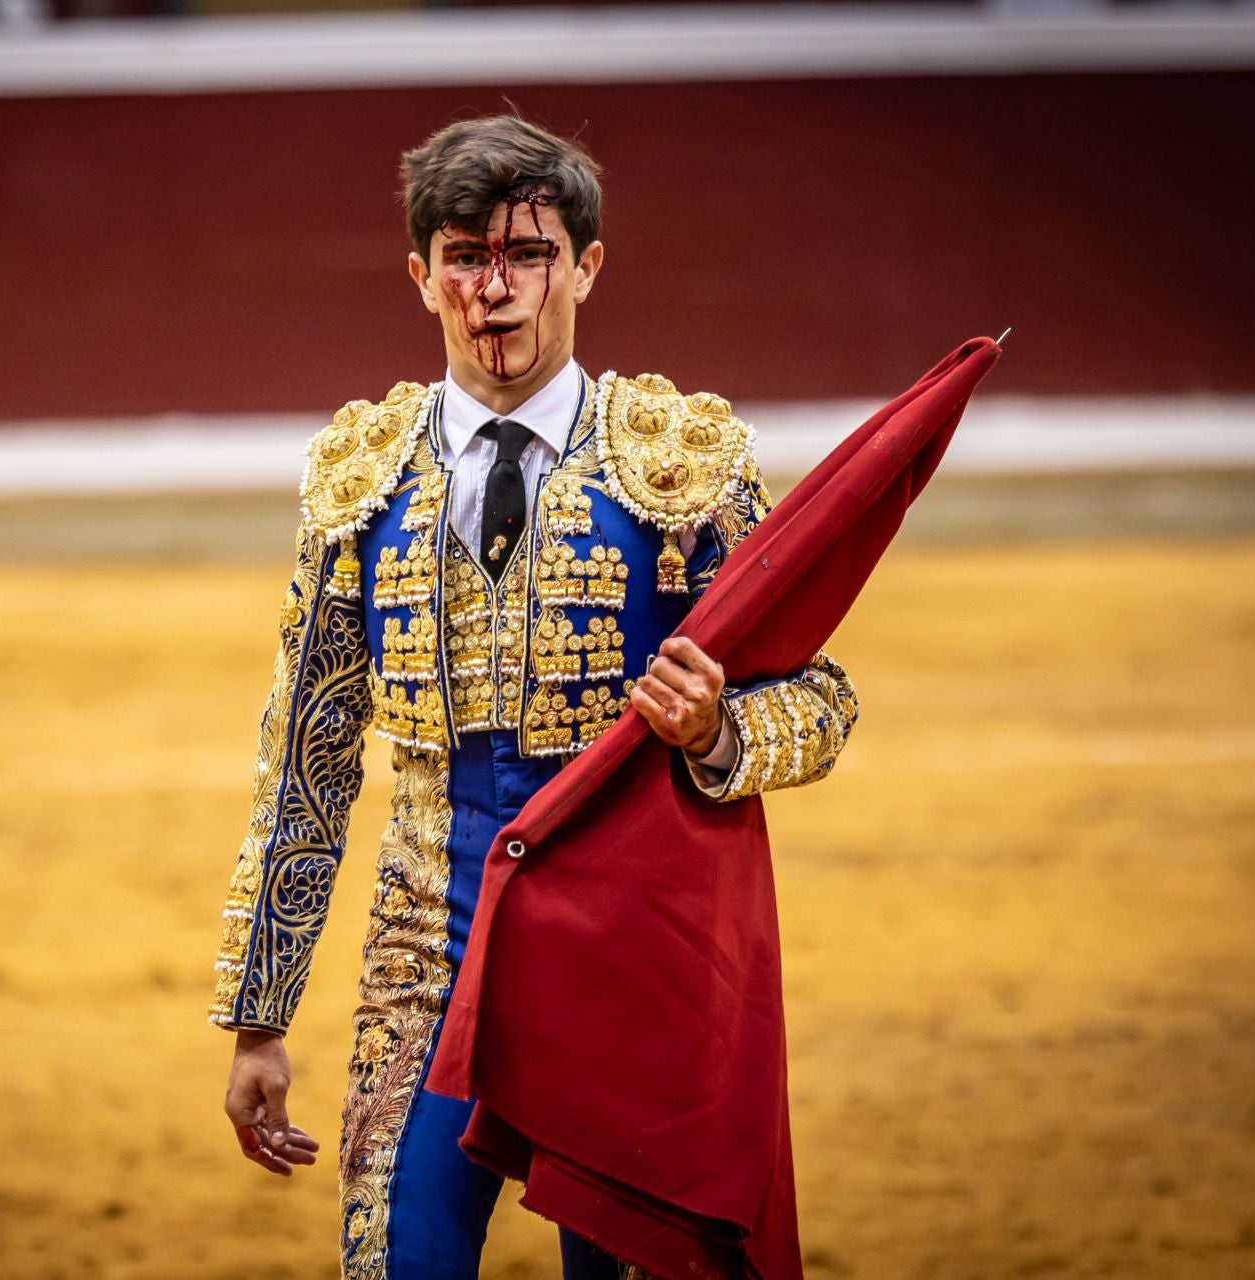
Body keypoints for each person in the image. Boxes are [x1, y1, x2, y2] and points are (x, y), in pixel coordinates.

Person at [210, 115, 860, 1280]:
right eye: (465, 257)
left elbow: (822, 703)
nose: (495, 290)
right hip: (430, 943)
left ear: (589, 265)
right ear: (422, 277)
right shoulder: (358, 480)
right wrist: (260, 1015)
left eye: (529, 254)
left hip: (632, 955)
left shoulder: (685, 466)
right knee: (400, 1258)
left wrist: (718, 726)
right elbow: (306, 760)